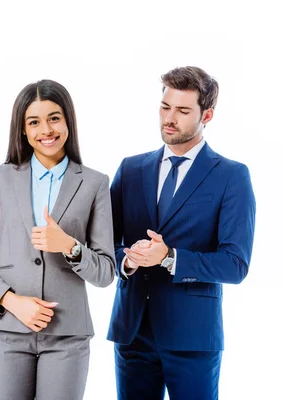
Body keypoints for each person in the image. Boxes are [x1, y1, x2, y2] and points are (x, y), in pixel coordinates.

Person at [0, 79, 115, 400]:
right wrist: (11, 302)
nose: (46, 129)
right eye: (34, 121)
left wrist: (69, 246)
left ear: (68, 121)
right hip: (8, 334)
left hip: (67, 336)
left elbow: (106, 272)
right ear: (23, 130)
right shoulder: (0, 178)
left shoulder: (95, 184)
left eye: (54, 118)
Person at [107, 66, 256, 400]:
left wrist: (170, 258)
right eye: (165, 107)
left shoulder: (231, 176)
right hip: (132, 331)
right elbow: (105, 244)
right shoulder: (130, 169)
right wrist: (128, 262)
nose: (169, 118)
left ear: (208, 115)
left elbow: (235, 264)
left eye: (183, 110)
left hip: (193, 337)